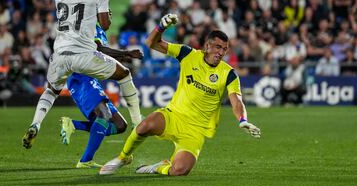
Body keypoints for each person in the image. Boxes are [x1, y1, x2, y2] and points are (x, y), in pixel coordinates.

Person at [99, 14, 261, 176]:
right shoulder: (188, 54)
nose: (221, 52)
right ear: (207, 46)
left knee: (179, 170)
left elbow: (237, 100)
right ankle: (123, 157)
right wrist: (162, 26)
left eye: (224, 49)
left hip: (196, 131)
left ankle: (157, 167)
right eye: (218, 47)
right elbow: (151, 43)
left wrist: (243, 120)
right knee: (144, 127)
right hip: (174, 116)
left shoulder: (229, 73)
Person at [22, 0, 142, 149]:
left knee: (51, 91)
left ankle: (35, 123)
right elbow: (104, 24)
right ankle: (138, 122)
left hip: (60, 54)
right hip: (84, 55)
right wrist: (106, 13)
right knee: (124, 74)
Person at [60, 21, 144, 168]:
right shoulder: (90, 25)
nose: (110, 17)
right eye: (108, 12)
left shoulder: (99, 31)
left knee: (120, 125)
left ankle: (73, 124)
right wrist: (126, 52)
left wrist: (122, 57)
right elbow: (99, 49)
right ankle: (85, 161)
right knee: (104, 114)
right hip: (81, 77)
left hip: (91, 79)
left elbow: (101, 55)